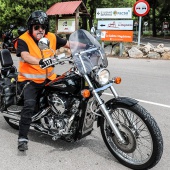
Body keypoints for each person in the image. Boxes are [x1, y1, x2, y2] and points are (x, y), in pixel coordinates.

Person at [16, 10, 70, 151]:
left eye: (43, 27)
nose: (40, 30)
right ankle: (22, 138)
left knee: (71, 86)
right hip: (29, 81)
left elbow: (68, 44)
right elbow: (25, 56)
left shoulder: (51, 37)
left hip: (49, 78)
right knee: (29, 105)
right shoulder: (23, 39)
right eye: (37, 27)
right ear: (31, 28)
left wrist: (86, 47)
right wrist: (40, 61)